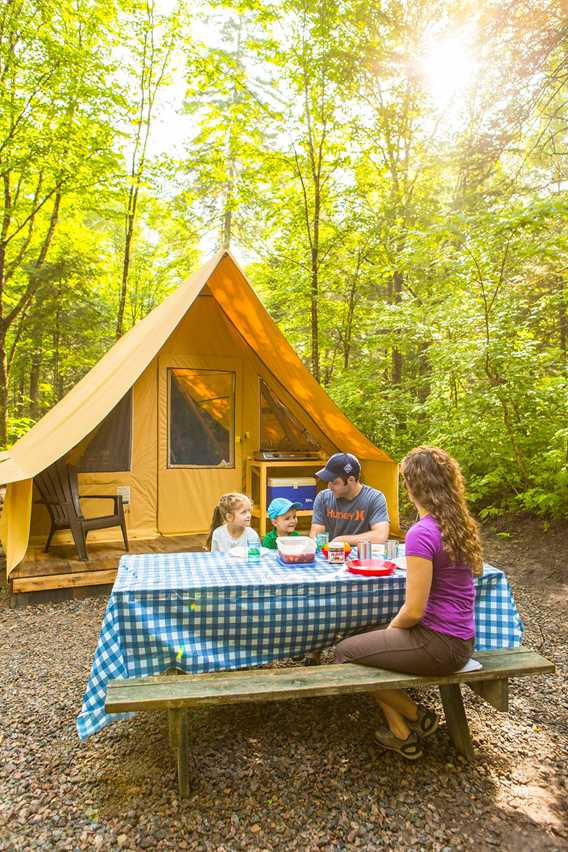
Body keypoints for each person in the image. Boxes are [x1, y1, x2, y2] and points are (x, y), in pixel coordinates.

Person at [335, 446, 483, 761]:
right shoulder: (458, 524)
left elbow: (414, 610)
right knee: (369, 635)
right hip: (461, 639)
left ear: (412, 487)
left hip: (439, 645)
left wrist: (392, 630)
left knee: (344, 653)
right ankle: (399, 732)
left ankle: (417, 715)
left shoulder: (421, 533)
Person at [309, 452, 390, 546]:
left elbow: (380, 536)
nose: (329, 486)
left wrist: (341, 540)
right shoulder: (323, 497)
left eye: (334, 482)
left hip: (362, 556)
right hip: (331, 555)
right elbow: (316, 535)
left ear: (351, 480)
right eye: (328, 481)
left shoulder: (374, 498)